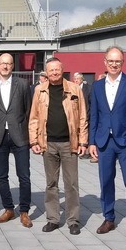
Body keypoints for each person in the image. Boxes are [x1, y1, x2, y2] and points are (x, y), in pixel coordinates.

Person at [89, 45, 126, 242]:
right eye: (111, 61)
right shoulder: (97, 86)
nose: (114, 64)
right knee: (105, 182)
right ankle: (109, 218)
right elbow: (94, 115)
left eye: (118, 61)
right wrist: (92, 142)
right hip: (104, 142)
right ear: (105, 62)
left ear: (123, 63)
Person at [29, 57, 88, 236]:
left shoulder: (74, 88)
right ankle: (53, 219)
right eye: (51, 70)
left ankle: (73, 220)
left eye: (57, 69)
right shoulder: (40, 90)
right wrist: (33, 141)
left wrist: (83, 141)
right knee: (51, 184)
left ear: (62, 70)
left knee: (71, 184)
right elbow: (34, 117)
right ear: (46, 72)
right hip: (48, 143)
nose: (54, 73)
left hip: (69, 143)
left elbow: (83, 116)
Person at [0, 53, 33, 228]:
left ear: (13, 66)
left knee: (24, 176)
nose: (5, 67)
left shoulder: (22, 84)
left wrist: (30, 135)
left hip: (19, 135)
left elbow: (28, 110)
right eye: (2, 64)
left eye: (9, 64)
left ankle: (24, 211)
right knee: (1, 176)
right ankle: (8, 208)